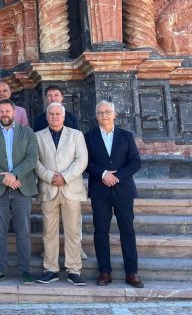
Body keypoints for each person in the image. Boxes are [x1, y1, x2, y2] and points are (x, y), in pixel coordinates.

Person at [85, 100, 143, 288]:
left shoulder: (126, 136)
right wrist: (103, 174)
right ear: (96, 116)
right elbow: (86, 162)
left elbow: (135, 162)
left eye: (108, 112)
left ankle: (131, 272)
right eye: (101, 112)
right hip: (100, 191)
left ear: (114, 114)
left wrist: (116, 177)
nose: (104, 115)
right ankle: (105, 272)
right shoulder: (89, 137)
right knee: (101, 231)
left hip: (123, 190)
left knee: (127, 230)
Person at [0, 99, 38, 285]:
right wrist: (4, 178)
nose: (4, 114)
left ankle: (25, 270)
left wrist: (14, 175)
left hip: (22, 186)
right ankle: (0, 269)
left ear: (14, 112)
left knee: (23, 231)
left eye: (8, 111)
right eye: (1, 111)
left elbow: (32, 158)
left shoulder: (27, 132)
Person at [34, 103, 88, 286]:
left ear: (64, 117)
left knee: (73, 231)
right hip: (48, 189)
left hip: (70, 188)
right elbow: (35, 161)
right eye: (51, 114)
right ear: (47, 116)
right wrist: (50, 177)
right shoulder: (37, 136)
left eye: (58, 114)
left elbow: (82, 160)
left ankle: (74, 270)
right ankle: (51, 269)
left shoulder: (76, 135)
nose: (55, 117)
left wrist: (65, 177)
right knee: (49, 232)